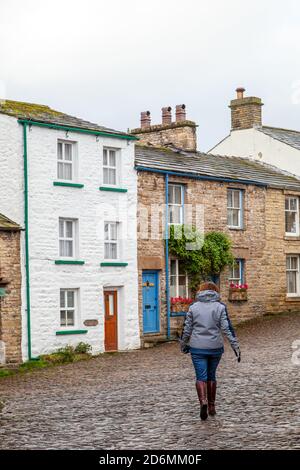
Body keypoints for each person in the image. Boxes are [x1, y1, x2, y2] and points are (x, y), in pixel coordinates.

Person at [180, 281, 241, 421]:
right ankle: (212, 406)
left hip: (197, 348)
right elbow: (227, 329)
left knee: (201, 376)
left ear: (200, 292)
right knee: (211, 376)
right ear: (215, 291)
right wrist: (235, 347)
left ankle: (203, 402)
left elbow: (186, 329)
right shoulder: (220, 307)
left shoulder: (193, 307)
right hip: (215, 348)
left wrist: (183, 345)